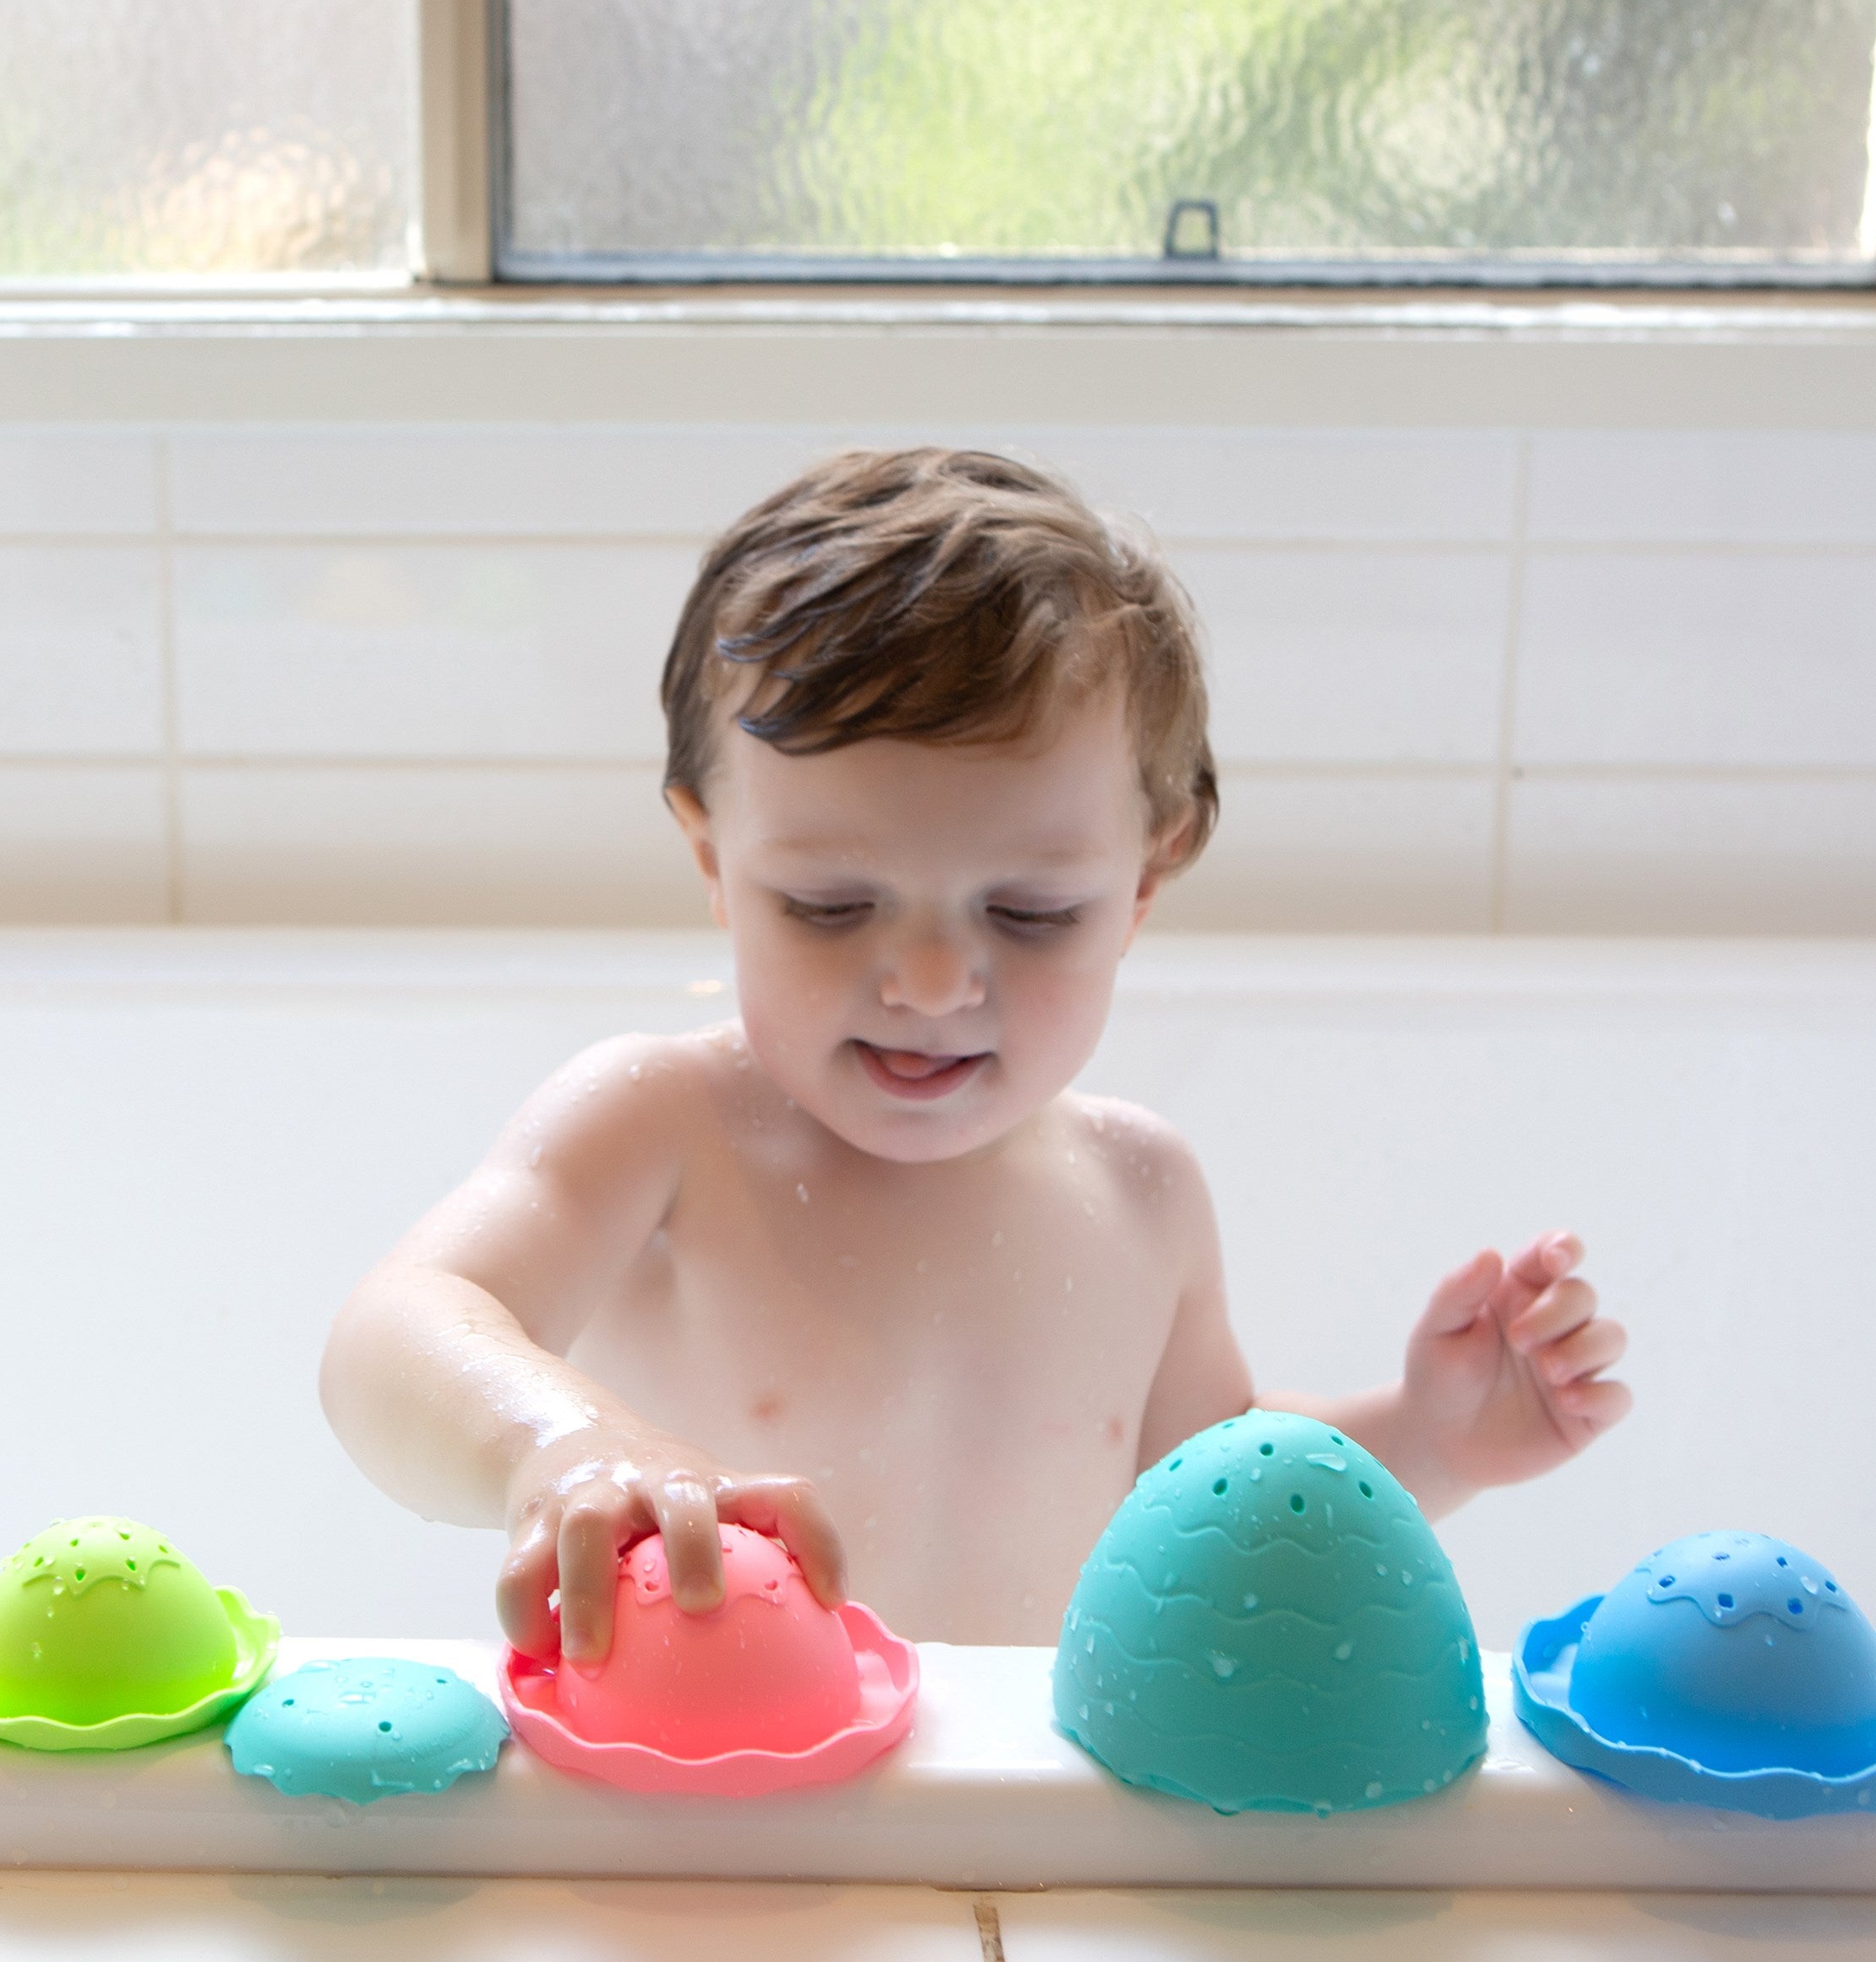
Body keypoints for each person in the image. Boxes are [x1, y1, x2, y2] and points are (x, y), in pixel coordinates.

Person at [320, 447, 1629, 1661]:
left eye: (1031, 914)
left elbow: (1221, 1512)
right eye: (830, 906)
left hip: (1019, 1824)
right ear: (714, 857)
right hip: (697, 1811)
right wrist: (564, 1446)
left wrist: (1428, 1441)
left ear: (1145, 881)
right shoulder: (666, 1130)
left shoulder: (1139, 1196)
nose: (934, 984)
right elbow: (392, 1338)